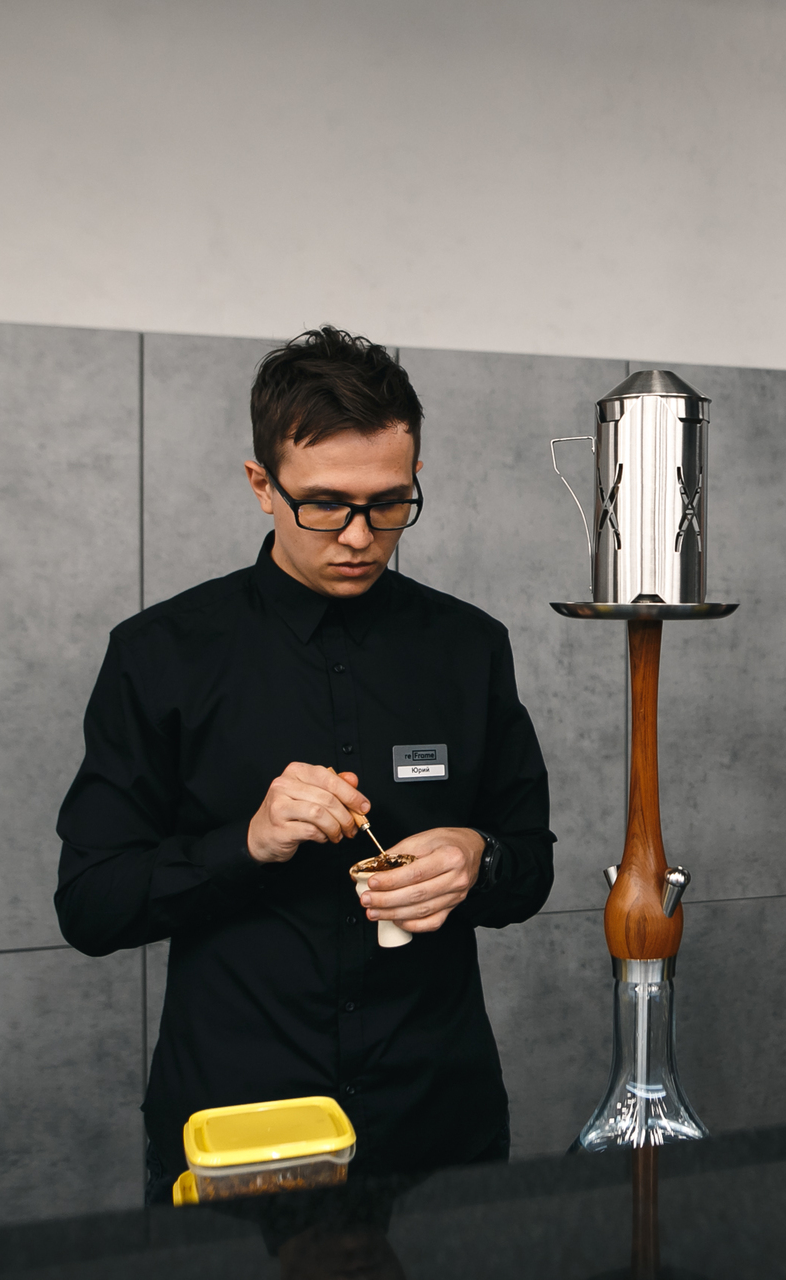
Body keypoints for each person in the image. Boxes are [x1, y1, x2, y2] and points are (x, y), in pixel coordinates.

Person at [55, 326, 554, 1199]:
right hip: (240, 1127)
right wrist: (245, 844)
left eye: (389, 504)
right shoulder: (161, 654)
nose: (359, 537)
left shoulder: (469, 647)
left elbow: (530, 864)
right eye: (324, 505)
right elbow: (91, 903)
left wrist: (479, 856)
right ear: (262, 485)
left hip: (438, 1122)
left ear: (415, 478)